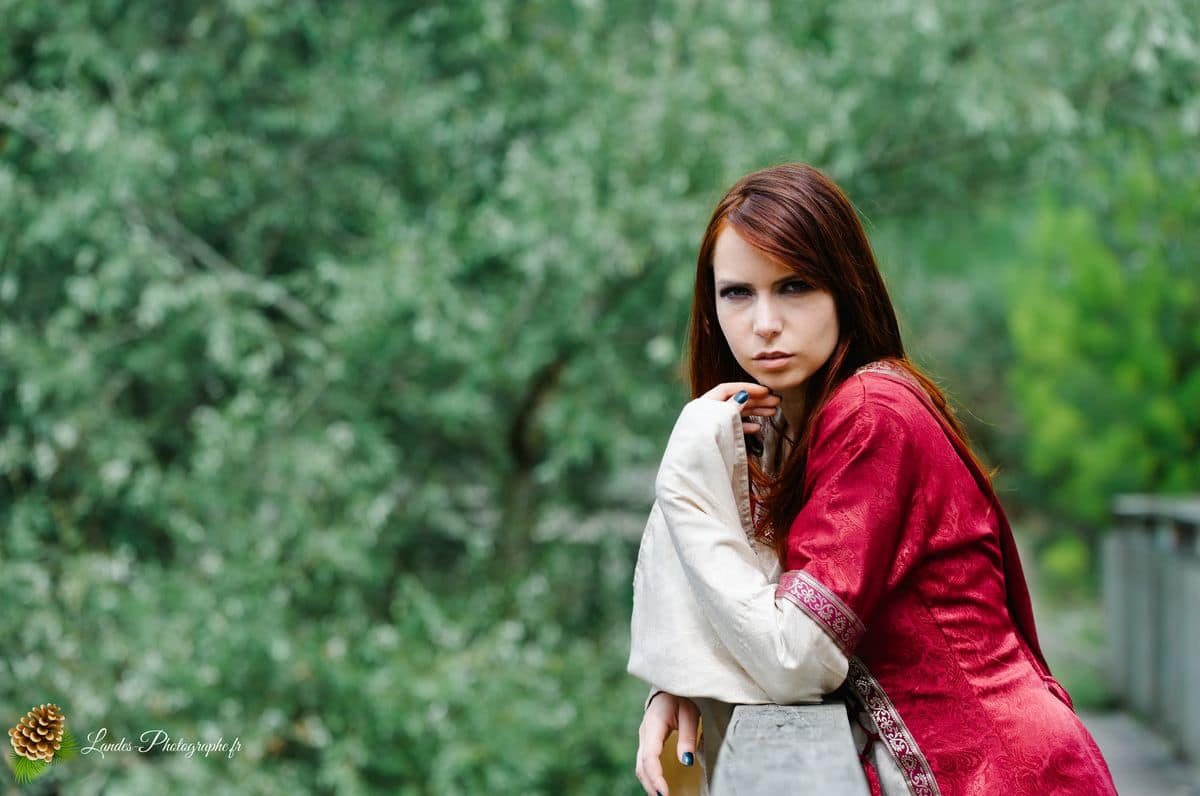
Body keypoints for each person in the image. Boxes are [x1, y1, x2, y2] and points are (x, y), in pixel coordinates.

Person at [630, 164, 1117, 795]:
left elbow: (793, 656)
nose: (765, 322)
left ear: (844, 288)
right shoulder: (784, 425)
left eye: (795, 286)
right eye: (737, 293)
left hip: (1001, 772)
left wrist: (687, 479)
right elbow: (760, 596)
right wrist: (678, 677)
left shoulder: (871, 414)